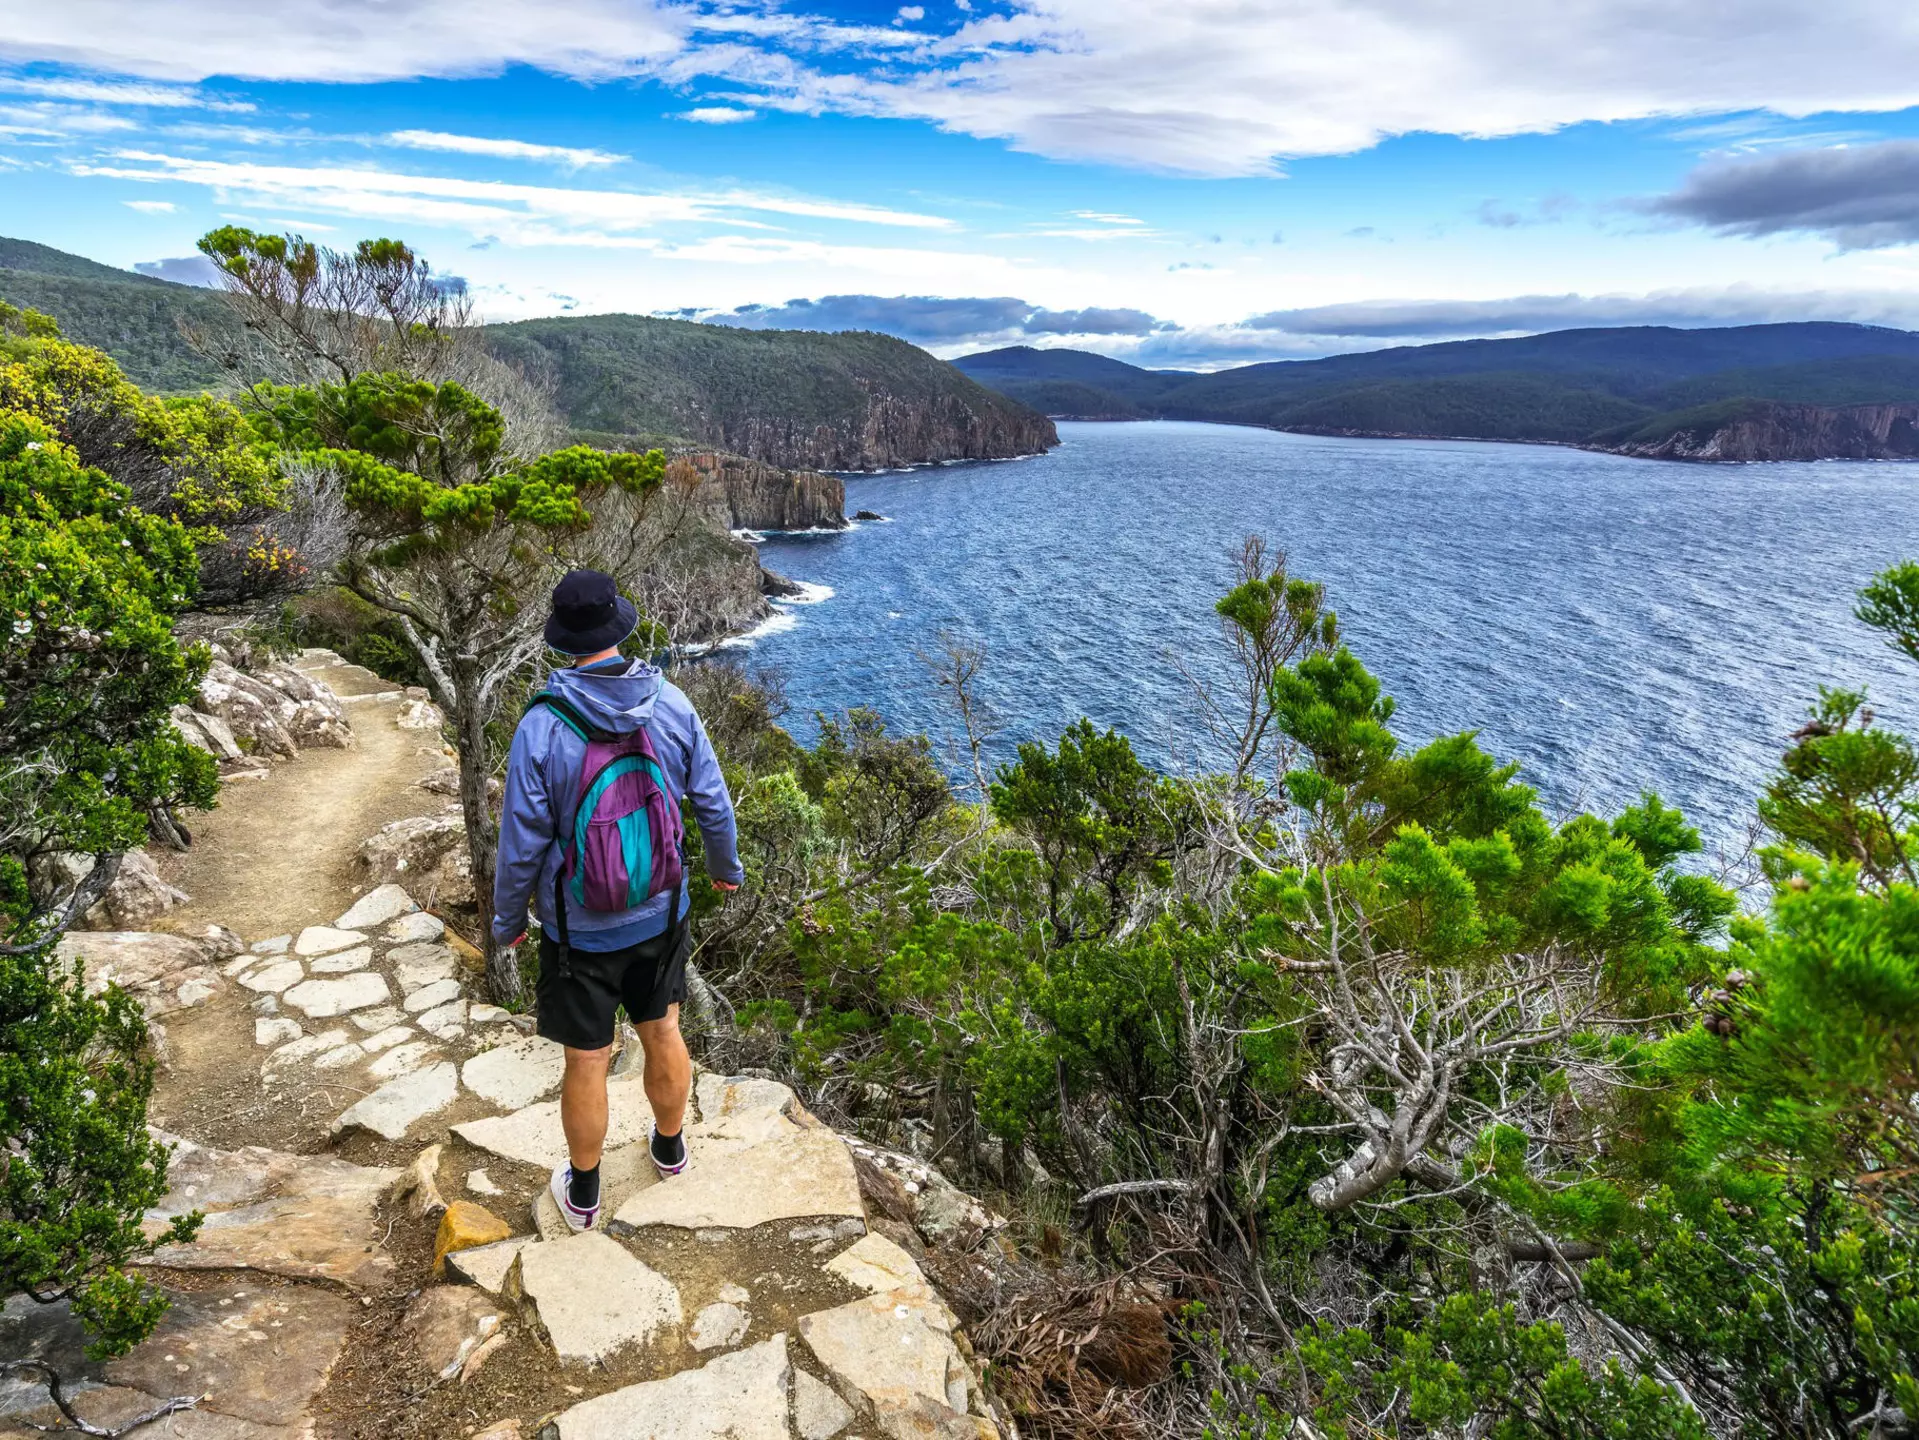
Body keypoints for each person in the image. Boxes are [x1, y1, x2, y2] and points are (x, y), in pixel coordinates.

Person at [492, 569, 743, 1232]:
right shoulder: (672, 702)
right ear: (618, 625)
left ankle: (583, 1193)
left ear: (563, 638)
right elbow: (712, 801)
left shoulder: (542, 727)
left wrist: (508, 919)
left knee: (587, 1058)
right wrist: (725, 870)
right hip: (662, 908)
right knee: (662, 1028)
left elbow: (521, 840)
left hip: (579, 928)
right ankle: (668, 1149)